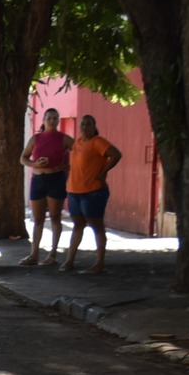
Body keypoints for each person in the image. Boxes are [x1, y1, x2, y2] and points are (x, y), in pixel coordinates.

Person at [63, 114, 124, 274]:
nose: (85, 126)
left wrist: (103, 172)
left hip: (93, 191)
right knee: (77, 225)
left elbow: (116, 154)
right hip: (74, 190)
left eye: (88, 124)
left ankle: (99, 263)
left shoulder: (98, 142)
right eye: (83, 124)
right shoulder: (77, 143)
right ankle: (69, 261)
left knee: (96, 226)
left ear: (94, 126)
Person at [16, 107, 69, 266]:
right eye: (49, 118)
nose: (52, 121)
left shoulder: (64, 138)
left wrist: (66, 166)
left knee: (55, 217)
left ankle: (52, 254)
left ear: (58, 120)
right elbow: (23, 158)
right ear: (44, 120)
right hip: (38, 180)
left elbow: (80, 152)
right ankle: (34, 254)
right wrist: (34, 163)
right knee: (38, 219)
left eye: (55, 118)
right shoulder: (36, 138)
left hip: (56, 179)